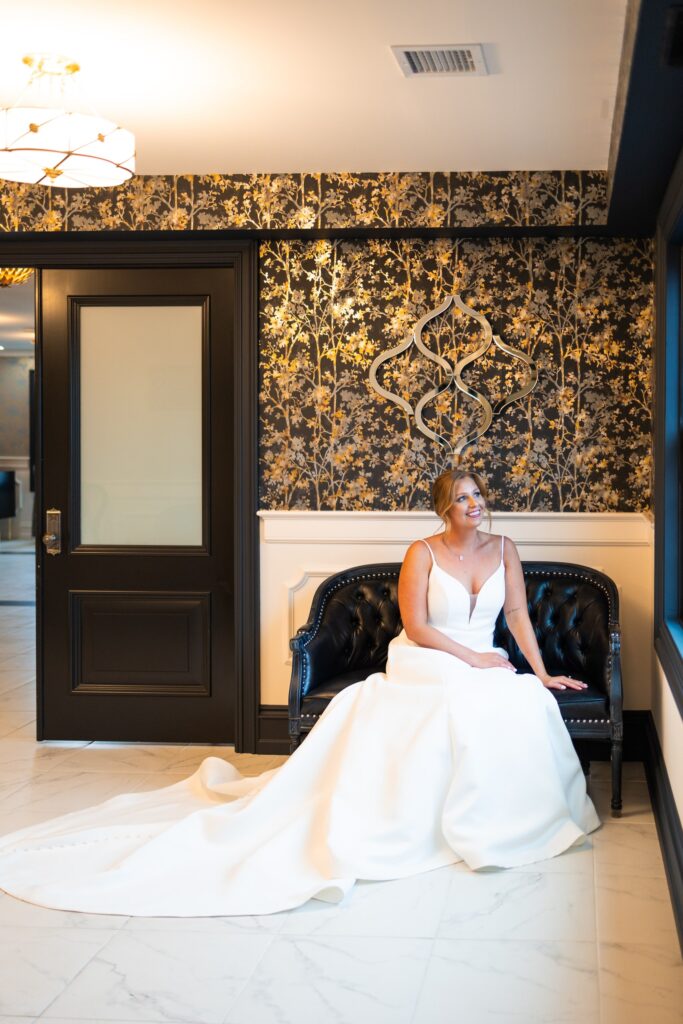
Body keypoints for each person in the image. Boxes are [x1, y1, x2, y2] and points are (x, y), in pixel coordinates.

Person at [0, 467, 600, 917]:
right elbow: (417, 627)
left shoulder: (504, 549)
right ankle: (420, 815)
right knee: (456, 691)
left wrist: (540, 672)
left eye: (479, 495)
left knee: (520, 700)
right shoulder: (421, 553)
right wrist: (472, 658)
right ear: (445, 508)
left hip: (483, 657)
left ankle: (493, 816)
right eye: (464, 497)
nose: (476, 504)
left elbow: (516, 615)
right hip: (430, 654)